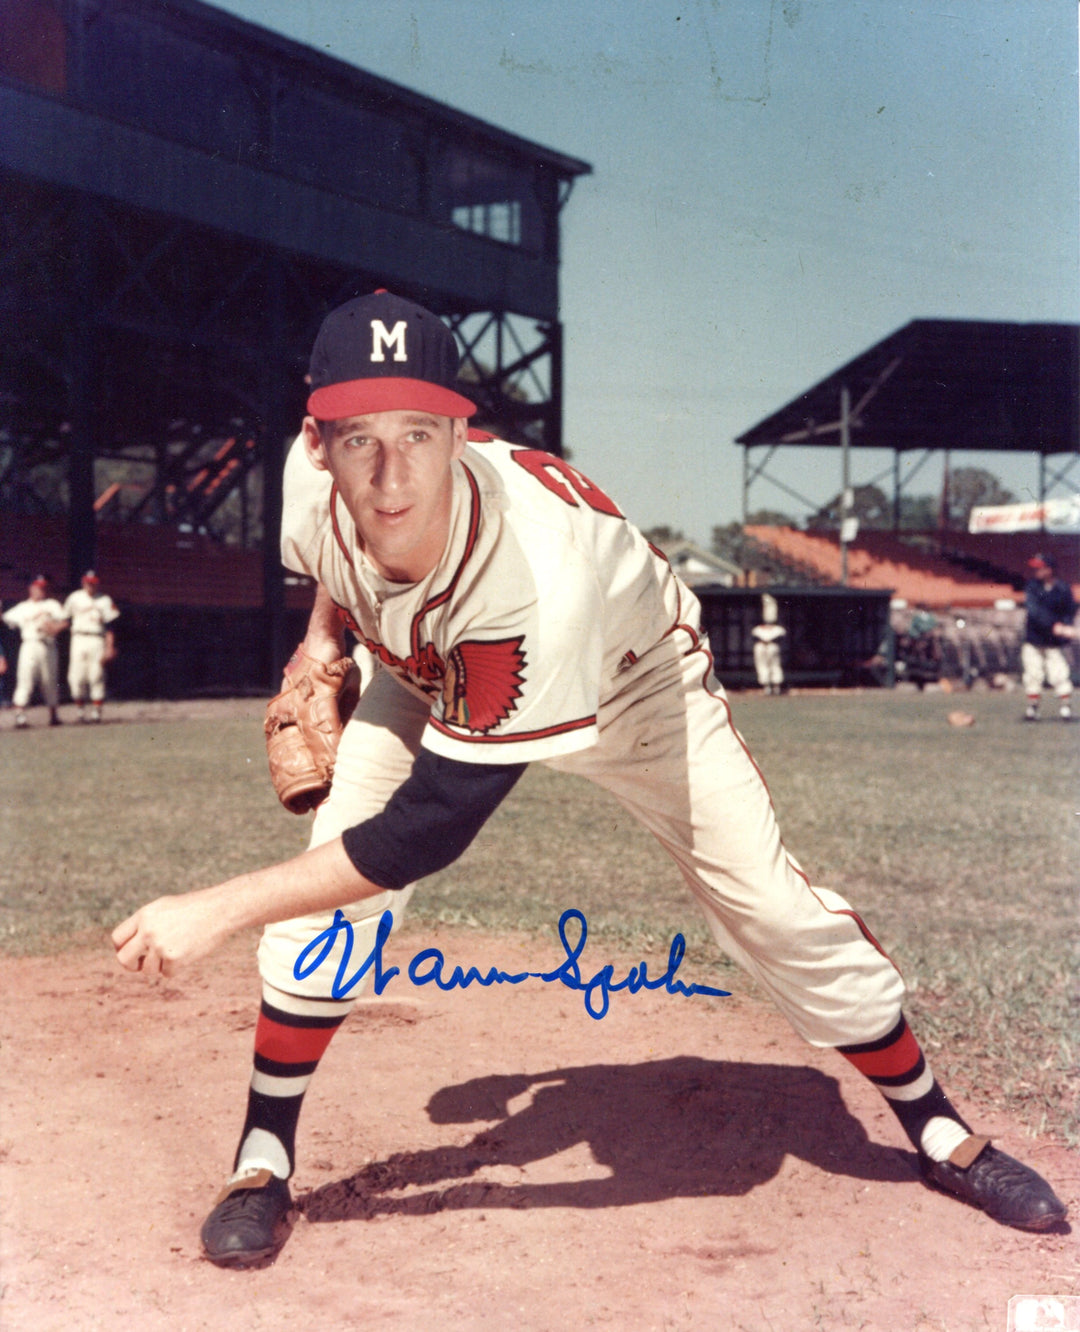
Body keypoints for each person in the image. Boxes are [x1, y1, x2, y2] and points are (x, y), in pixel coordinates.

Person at [112, 291, 1067, 1268]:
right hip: (426, 668)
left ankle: (939, 1130)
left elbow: (425, 832)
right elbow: (340, 555)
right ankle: (261, 1159)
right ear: (316, 445)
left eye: (417, 434)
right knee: (325, 907)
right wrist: (318, 645)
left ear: (461, 433)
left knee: (775, 915)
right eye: (358, 439)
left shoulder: (536, 571)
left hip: (631, 686)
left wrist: (214, 907)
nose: (389, 472)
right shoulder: (308, 488)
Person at [2, 575, 65, 727]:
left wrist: (54, 628)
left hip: (48, 645)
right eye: (37, 586)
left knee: (50, 681)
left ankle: (53, 715)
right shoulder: (23, 607)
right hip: (30, 645)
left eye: (43, 586)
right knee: (25, 679)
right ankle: (20, 716)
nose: (41, 589)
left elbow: (64, 621)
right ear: (31, 588)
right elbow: (5, 619)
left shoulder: (52, 604)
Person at [1020, 553, 1077, 722]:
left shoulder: (1063, 589)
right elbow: (1035, 612)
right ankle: (1032, 708)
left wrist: (1066, 626)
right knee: (1033, 674)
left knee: (1059, 673)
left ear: (1050, 569)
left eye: (1040, 567)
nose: (1036, 570)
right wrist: (1054, 625)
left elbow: (1070, 610)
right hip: (1034, 639)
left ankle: (1065, 707)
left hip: (1053, 642)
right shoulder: (1032, 587)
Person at [61, 569, 120, 723]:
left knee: (96, 675)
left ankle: (96, 713)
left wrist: (110, 647)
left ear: (97, 583)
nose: (90, 585)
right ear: (83, 582)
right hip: (79, 638)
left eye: (93, 583)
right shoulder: (74, 597)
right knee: (76, 677)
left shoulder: (105, 600)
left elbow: (110, 626)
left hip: (96, 639)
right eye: (87, 582)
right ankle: (80, 712)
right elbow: (65, 619)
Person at [750, 593, 786, 694]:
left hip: (772, 646)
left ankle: (776, 686)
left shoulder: (778, 629)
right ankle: (766, 686)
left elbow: (781, 637)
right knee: (762, 665)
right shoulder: (758, 629)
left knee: (775, 665)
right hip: (761, 647)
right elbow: (754, 637)